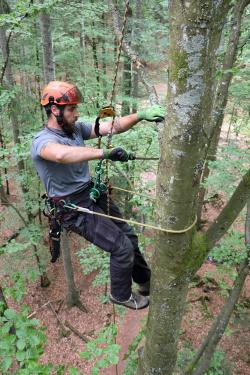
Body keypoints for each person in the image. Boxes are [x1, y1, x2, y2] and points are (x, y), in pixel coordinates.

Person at [30, 81, 165, 310]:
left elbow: (112, 126)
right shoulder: (42, 142)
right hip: (72, 207)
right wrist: (104, 153)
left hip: (90, 194)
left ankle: (144, 281)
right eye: (72, 109)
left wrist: (140, 115)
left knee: (129, 237)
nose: (77, 113)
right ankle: (120, 295)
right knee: (121, 247)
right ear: (55, 110)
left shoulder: (76, 130)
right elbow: (62, 155)